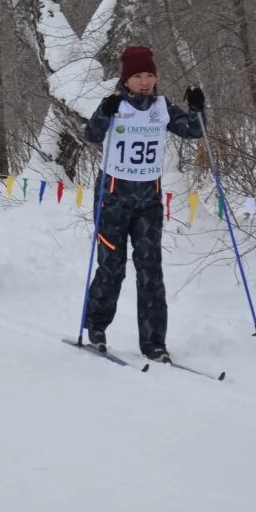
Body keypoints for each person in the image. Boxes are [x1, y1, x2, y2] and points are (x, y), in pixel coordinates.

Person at [82, 46, 206, 363]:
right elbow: (92, 136)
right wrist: (103, 112)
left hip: (148, 200)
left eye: (150, 74)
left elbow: (194, 130)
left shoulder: (162, 107)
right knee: (112, 268)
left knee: (150, 271)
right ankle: (96, 327)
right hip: (112, 198)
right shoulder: (115, 105)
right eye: (138, 75)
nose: (145, 81)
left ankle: (154, 343)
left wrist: (198, 110)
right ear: (126, 79)